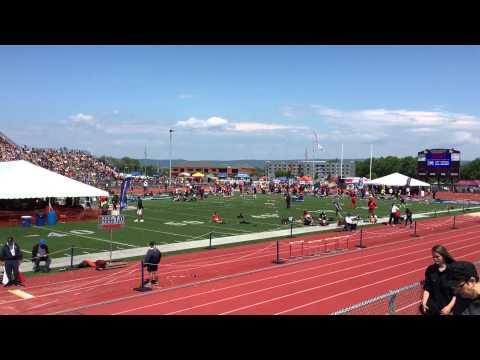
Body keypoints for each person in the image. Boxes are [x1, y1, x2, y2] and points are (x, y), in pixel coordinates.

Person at [421, 245, 456, 315]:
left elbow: (457, 293)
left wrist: (449, 307)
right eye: (433, 257)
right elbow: (427, 288)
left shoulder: (454, 269)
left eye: (437, 257)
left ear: (444, 256)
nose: (435, 259)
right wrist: (424, 302)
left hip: (448, 309)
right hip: (433, 308)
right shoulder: (430, 270)